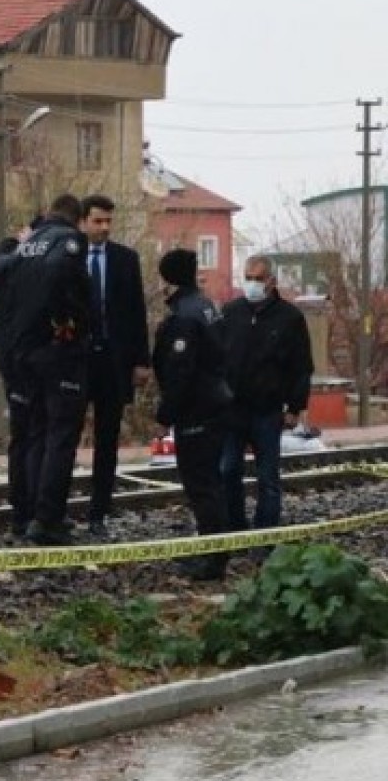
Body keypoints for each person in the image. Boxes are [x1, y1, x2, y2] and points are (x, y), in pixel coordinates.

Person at [6, 194, 92, 546]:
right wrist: (69, 323)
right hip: (58, 352)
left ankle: (29, 515)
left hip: (23, 351)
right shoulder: (69, 240)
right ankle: (48, 518)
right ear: (79, 218)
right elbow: (62, 278)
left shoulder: (28, 245)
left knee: (37, 434)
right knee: (61, 436)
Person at [151, 248, 233, 580]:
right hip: (214, 402)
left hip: (197, 410)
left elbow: (180, 372)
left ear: (168, 280)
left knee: (201, 484)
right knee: (210, 481)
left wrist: (164, 416)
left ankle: (213, 560)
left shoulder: (184, 316)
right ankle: (213, 550)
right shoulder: (206, 306)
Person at [219, 254, 314, 531]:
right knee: (227, 470)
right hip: (232, 408)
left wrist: (295, 407)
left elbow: (301, 366)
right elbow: (217, 358)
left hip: (268, 410)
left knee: (268, 478)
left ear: (271, 281)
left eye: (258, 279)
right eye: (248, 278)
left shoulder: (290, 318)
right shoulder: (231, 312)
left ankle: (265, 534)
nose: (252, 284)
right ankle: (235, 529)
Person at [79, 194, 151, 537]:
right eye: (98, 221)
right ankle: (54, 508)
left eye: (109, 221)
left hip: (114, 359)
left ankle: (100, 509)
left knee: (108, 438)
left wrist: (141, 361)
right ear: (83, 221)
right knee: (65, 435)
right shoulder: (70, 256)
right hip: (76, 361)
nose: (104, 228)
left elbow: (136, 311)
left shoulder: (125, 259)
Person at [0, 221, 35, 536]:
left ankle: (23, 508)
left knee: (23, 438)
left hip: (11, 359)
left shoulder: (2, 281)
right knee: (26, 438)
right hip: (19, 363)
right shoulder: (6, 268)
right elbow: (4, 264)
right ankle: (24, 509)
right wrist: (28, 247)